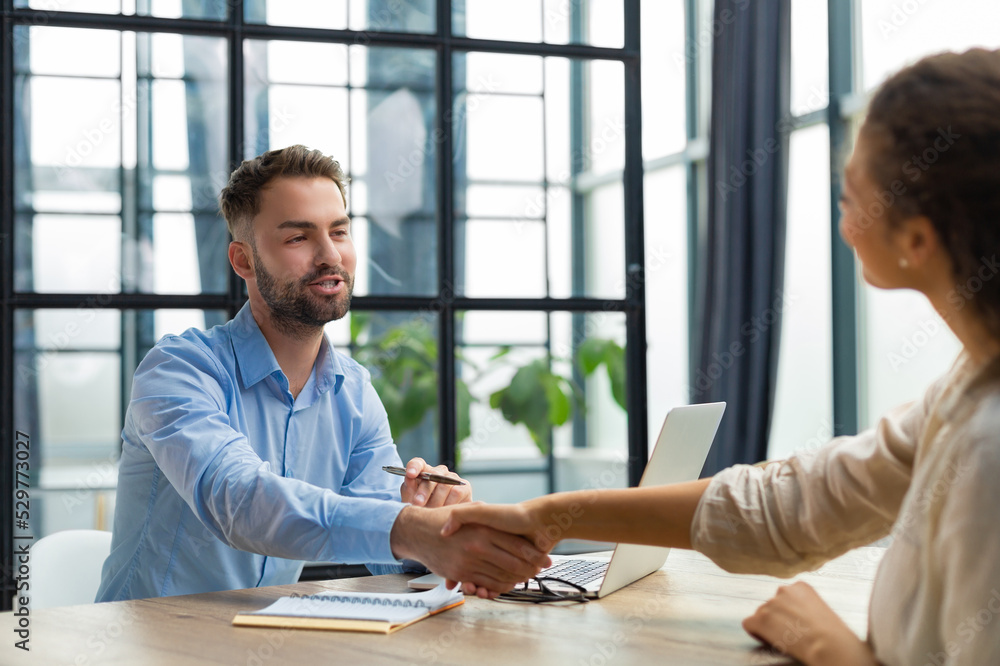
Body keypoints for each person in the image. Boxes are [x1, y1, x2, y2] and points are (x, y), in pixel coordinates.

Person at [441, 48, 1000, 665]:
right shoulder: (970, 380)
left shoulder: (990, 445)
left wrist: (831, 647)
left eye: (851, 193)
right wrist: (551, 514)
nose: (843, 215)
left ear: (917, 240)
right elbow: (801, 502)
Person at [96, 145, 549, 602]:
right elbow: (240, 504)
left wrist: (440, 522)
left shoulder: (352, 391)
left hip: (263, 637)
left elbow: (384, 536)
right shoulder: (179, 370)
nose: (330, 255)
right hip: (147, 643)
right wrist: (410, 529)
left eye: (339, 231)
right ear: (243, 261)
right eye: (299, 238)